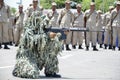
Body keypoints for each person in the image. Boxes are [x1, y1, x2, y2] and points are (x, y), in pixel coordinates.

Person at [12, 11, 62, 78]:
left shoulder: (44, 30)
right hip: (28, 57)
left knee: (52, 51)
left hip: (39, 57)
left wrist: (59, 36)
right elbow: (32, 40)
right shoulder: (28, 29)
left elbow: (52, 44)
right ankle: (18, 69)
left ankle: (50, 71)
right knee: (32, 73)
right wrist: (47, 36)